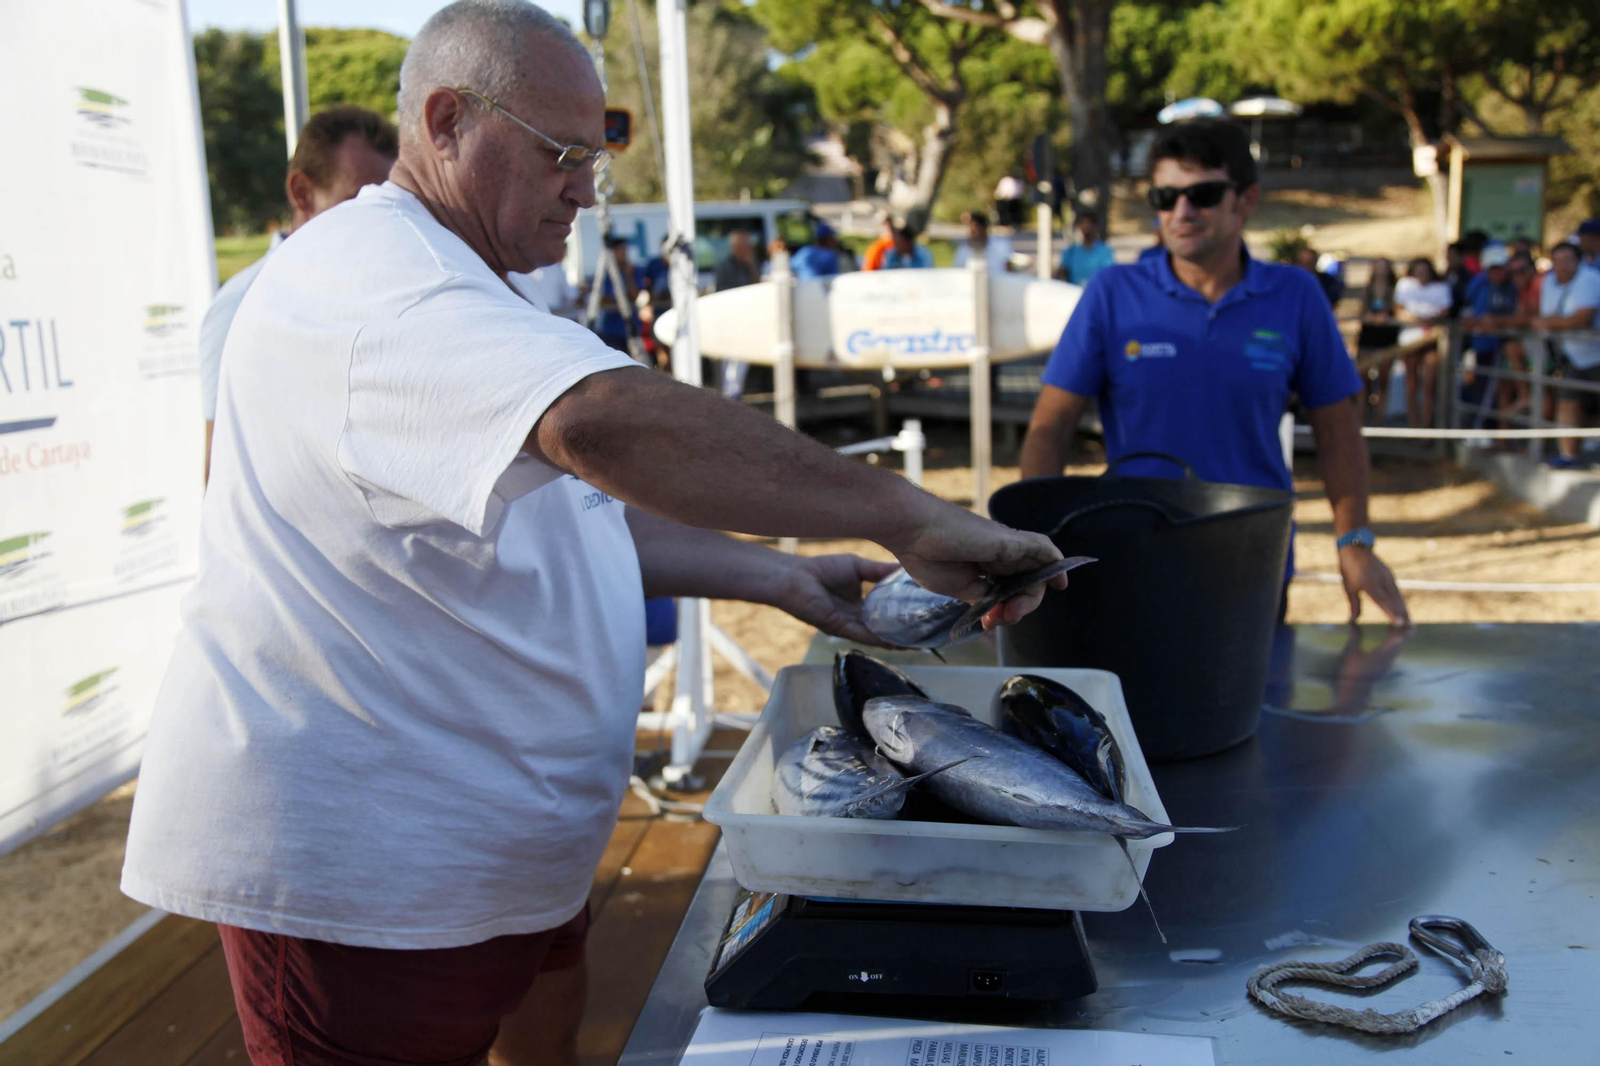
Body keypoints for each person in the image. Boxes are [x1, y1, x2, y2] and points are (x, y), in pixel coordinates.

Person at [119, 7, 1068, 1066]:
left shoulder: (467, 281)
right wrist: (908, 513)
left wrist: (781, 578)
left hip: (496, 851)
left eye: (596, 159)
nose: (586, 190)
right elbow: (600, 424)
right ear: (445, 121)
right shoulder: (378, 279)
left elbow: (567, 521)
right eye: (560, 155)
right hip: (369, 886)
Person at [1019, 117, 1407, 625]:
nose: (1181, 212)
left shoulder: (1295, 295)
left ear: (1245, 200)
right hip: (1133, 561)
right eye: (1165, 197)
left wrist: (1354, 541)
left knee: (1261, 682)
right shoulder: (1113, 294)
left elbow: (1339, 432)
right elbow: (1050, 429)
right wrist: (1033, 549)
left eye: (1201, 194)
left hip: (1253, 561)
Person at [197, 105, 397, 483]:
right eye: (356, 203)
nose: (377, 223)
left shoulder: (381, 293)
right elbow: (220, 472)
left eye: (388, 205)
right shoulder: (240, 304)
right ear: (302, 193)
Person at [1532, 241, 1600, 468]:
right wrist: (1557, 321)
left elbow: (1582, 318)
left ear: (1578, 260)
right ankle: (1568, 455)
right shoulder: (1549, 281)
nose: (1562, 265)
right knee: (1569, 402)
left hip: (1595, 354)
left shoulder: (1590, 279)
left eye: (1567, 259)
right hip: (1572, 355)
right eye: (1557, 260)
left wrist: (1553, 322)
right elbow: (1546, 316)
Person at [1460, 244, 1521, 421]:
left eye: (1500, 267)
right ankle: (1483, 427)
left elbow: (1522, 314)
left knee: (1502, 392)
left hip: (1507, 348)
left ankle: (1494, 428)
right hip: (1484, 346)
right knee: (1484, 390)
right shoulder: (1480, 284)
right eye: (1493, 268)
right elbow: (1469, 310)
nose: (1497, 272)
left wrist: (1498, 322)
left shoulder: (1514, 285)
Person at [1393, 257, 1453, 428]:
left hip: (1432, 341)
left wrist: (1424, 318)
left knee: (1429, 385)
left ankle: (1425, 427)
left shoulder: (1440, 288)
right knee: (1411, 384)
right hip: (1410, 340)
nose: (1421, 274)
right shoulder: (1405, 285)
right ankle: (1413, 426)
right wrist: (1417, 318)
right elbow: (1399, 311)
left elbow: (1444, 311)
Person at [715, 231, 760, 399]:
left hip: (746, 317)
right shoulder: (725, 266)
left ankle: (735, 391)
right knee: (730, 356)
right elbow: (725, 292)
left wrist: (751, 265)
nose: (748, 248)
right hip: (730, 317)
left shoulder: (749, 264)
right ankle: (730, 392)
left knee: (743, 356)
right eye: (745, 244)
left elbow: (757, 285)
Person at [1356, 258, 1401, 423]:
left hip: (1386, 337)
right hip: (1368, 336)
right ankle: (1360, 419)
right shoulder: (1367, 289)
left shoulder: (1394, 290)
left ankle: (1378, 420)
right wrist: (1368, 316)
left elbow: (1397, 309)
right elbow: (1361, 310)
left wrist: (1385, 315)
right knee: (1362, 380)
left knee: (1383, 381)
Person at [594, 233, 643, 353]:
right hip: (610, 330)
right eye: (620, 250)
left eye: (625, 250)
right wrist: (623, 300)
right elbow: (602, 299)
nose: (624, 253)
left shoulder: (633, 271)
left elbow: (636, 296)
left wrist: (629, 276)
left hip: (631, 327)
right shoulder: (604, 273)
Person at [1058, 213, 1115, 285]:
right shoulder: (1071, 251)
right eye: (1083, 223)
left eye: (1089, 223)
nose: (1086, 227)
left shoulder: (1104, 251)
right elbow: (1061, 274)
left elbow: (1109, 275)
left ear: (1095, 227)